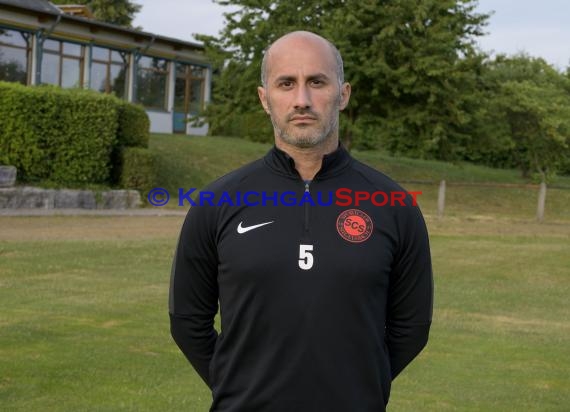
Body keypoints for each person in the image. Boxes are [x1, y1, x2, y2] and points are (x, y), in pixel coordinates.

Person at [169, 31, 433, 412]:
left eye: (317, 82)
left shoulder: (394, 205)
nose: (302, 100)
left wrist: (358, 386)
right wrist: (239, 386)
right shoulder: (217, 202)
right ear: (265, 99)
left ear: (343, 94)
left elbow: (411, 329)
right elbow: (187, 321)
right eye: (286, 83)